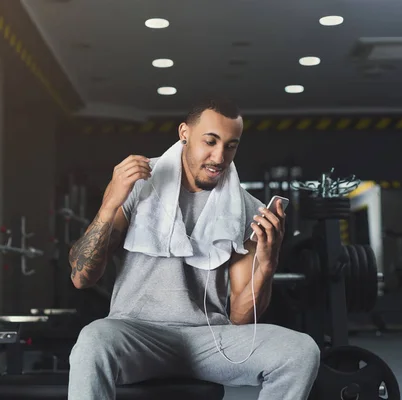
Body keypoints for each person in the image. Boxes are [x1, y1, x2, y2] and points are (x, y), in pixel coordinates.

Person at [67, 99, 320, 400]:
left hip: (210, 340)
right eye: (210, 142)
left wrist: (267, 262)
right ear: (184, 133)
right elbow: (82, 277)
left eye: (230, 146)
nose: (219, 156)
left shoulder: (248, 209)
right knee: (93, 339)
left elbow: (240, 319)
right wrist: (110, 205)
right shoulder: (139, 184)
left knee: (301, 350)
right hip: (136, 334)